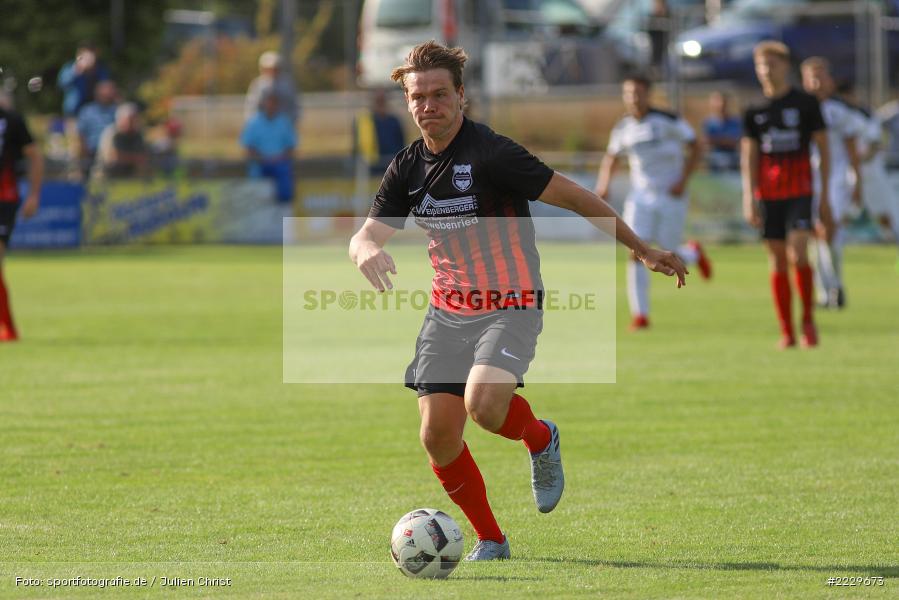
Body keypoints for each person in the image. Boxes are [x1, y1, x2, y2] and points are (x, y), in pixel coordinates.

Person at [348, 41, 687, 561]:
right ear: (407, 101)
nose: (428, 105)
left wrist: (641, 249)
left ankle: (539, 437)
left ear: (461, 96)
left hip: (510, 301)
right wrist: (366, 249)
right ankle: (491, 539)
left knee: (484, 406)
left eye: (440, 94)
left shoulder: (492, 153)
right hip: (448, 311)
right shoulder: (406, 167)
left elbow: (576, 196)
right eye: (418, 97)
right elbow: (365, 235)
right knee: (437, 436)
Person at [595, 75, 711, 331]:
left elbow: (696, 146)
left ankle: (693, 253)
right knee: (636, 251)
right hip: (640, 196)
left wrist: (683, 180)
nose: (633, 98)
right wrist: (604, 185)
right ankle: (641, 315)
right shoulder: (623, 126)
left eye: (638, 92)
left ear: (648, 94)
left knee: (669, 252)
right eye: (628, 93)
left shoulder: (668, 120)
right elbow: (612, 157)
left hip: (671, 194)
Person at [741, 42, 832, 348]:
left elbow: (824, 148)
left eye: (772, 64)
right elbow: (749, 155)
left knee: (798, 253)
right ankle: (786, 331)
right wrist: (748, 196)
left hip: (800, 191)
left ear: (785, 66)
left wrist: (824, 195)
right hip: (768, 195)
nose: (766, 70)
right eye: (761, 65)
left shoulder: (805, 103)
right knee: (777, 261)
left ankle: (807, 321)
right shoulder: (753, 108)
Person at [800, 57, 865, 309]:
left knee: (829, 230)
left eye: (821, 77)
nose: (817, 82)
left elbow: (852, 149)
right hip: (806, 180)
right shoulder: (799, 110)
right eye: (811, 78)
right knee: (814, 235)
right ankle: (824, 291)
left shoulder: (839, 111)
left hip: (835, 179)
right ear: (804, 81)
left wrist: (857, 182)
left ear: (830, 80)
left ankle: (836, 285)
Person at [0, 106, 43, 341]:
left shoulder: (11, 120)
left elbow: (34, 155)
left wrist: (34, 195)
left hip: (4, 198)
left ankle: (7, 328)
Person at [839, 85, 899, 250]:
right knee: (840, 213)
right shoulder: (840, 116)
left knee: (887, 211)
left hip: (871, 172)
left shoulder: (867, 115)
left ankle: (892, 238)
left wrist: (859, 158)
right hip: (848, 173)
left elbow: (874, 144)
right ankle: (836, 243)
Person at [240, 90, 297, 202]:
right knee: (257, 181)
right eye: (269, 102)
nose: (271, 106)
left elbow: (291, 146)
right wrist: (263, 158)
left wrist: (278, 158)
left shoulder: (284, 122)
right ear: (263, 104)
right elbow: (247, 147)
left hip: (280, 163)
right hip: (259, 163)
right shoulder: (253, 123)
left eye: (274, 103)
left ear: (278, 105)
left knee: (284, 173)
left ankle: (284, 204)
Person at [354, 89, 406, 174]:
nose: (380, 104)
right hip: (371, 167)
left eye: (382, 101)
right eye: (378, 101)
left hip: (392, 166)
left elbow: (401, 143)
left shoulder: (394, 121)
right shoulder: (365, 121)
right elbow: (357, 145)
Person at [57, 41, 110, 118]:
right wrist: (77, 70)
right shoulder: (70, 67)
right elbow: (62, 84)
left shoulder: (101, 70)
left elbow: (106, 90)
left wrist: (92, 71)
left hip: (96, 114)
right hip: (74, 112)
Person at [244, 51, 299, 125]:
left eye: (275, 69)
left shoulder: (286, 85)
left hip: (283, 124)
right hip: (262, 124)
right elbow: (251, 107)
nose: (272, 72)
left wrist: (290, 123)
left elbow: (293, 106)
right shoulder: (258, 84)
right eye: (268, 69)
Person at [76, 80, 119, 176]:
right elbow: (81, 133)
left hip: (112, 150)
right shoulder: (87, 111)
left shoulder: (117, 111)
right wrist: (84, 151)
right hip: (92, 150)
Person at [95, 103, 149, 179]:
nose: (134, 122)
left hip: (130, 176)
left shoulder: (138, 134)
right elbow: (112, 157)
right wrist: (135, 158)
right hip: (107, 176)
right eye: (130, 120)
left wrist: (129, 157)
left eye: (135, 119)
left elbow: (144, 156)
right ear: (121, 119)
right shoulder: (111, 133)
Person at [703, 91, 742, 171]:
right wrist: (726, 140)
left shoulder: (736, 121)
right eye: (717, 102)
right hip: (715, 159)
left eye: (722, 102)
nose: (720, 105)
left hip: (733, 158)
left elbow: (736, 140)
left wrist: (717, 140)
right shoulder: (708, 122)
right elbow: (707, 141)